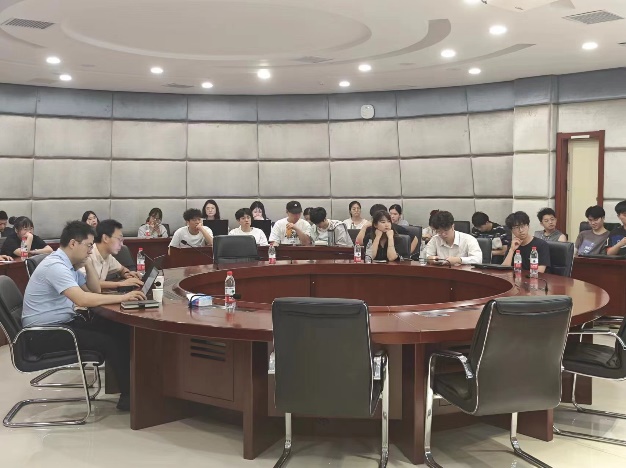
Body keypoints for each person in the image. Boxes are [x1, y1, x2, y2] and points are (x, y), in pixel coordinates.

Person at [21, 220, 146, 411]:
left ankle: (133, 389)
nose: (91, 250)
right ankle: (130, 397)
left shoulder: (68, 264)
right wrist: (124, 297)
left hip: (62, 325)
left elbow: (94, 290)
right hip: (43, 334)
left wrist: (87, 264)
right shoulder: (56, 266)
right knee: (109, 341)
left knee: (119, 327)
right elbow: (82, 299)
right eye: (88, 246)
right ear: (73, 243)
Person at [85, 219, 144, 290]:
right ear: (105, 238)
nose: (121, 244)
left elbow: (121, 269)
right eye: (119, 239)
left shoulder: (108, 256)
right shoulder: (87, 254)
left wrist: (127, 273)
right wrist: (121, 284)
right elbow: (88, 283)